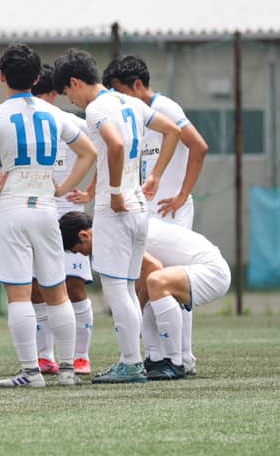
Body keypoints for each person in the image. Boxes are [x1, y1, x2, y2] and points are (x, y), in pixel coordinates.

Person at [0, 43, 97, 388]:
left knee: (20, 295)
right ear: (38, 78)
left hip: (11, 206)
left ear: (2, 77)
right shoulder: (55, 114)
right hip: (46, 208)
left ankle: (31, 371)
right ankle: (67, 370)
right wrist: (64, 186)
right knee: (57, 292)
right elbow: (90, 151)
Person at [52, 48, 179, 385]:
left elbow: (116, 145)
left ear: (76, 82)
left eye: (68, 92)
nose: (71, 100)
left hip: (117, 209)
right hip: (140, 209)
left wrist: (117, 192)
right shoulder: (131, 102)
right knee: (126, 285)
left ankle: (132, 363)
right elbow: (173, 132)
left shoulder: (97, 109)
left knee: (116, 289)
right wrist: (154, 176)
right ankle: (135, 359)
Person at [104, 54, 209, 375]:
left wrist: (182, 194)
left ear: (137, 85)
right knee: (146, 281)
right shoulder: (135, 114)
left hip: (170, 211)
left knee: (172, 282)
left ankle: (183, 357)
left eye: (121, 92)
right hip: (145, 212)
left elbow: (199, 146)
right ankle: (157, 355)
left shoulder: (166, 109)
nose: (119, 99)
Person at [29, 65, 95, 377]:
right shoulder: (21, 124)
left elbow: (101, 152)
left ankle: (80, 356)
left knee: (75, 287)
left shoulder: (72, 123)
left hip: (66, 217)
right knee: (35, 289)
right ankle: (45, 356)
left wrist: (87, 190)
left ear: (55, 93)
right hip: (33, 215)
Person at [140, 218, 231, 380]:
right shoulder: (134, 223)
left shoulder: (130, 231)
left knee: (155, 282)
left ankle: (174, 362)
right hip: (203, 268)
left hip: (213, 272)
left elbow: (152, 268)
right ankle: (157, 359)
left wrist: (136, 314)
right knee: (152, 285)